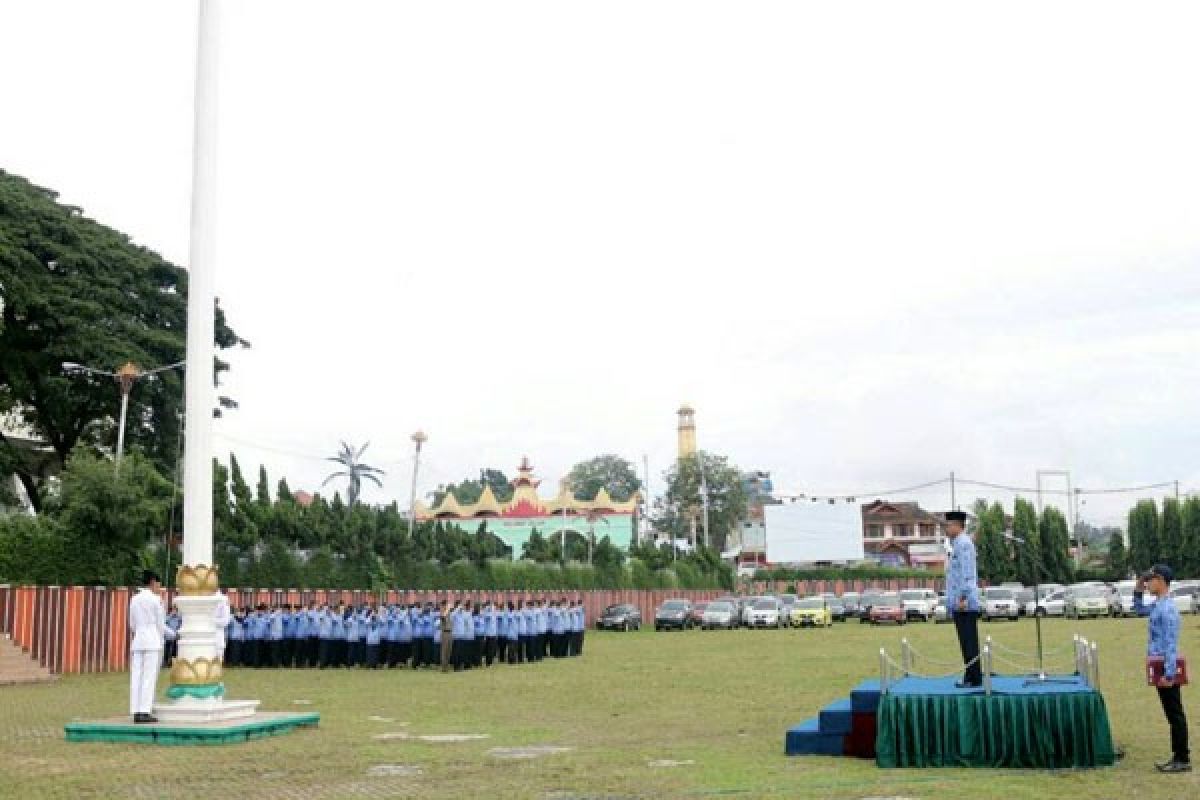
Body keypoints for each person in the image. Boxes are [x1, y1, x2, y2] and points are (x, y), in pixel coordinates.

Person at [1135, 564, 1191, 773]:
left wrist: (1170, 674)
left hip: (1166, 668)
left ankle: (1182, 758)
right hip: (1157, 665)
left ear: (1162, 581)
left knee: (1175, 713)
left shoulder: (1167, 609)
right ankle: (1177, 755)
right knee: (1171, 714)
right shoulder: (1158, 605)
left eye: (1151, 579)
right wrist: (1138, 589)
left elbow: (1170, 644)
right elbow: (1139, 610)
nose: (1148, 582)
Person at [128, 570, 174, 723]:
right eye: (158, 584)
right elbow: (160, 624)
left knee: (136, 676)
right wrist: (172, 634)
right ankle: (144, 711)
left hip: (138, 640)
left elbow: (132, 624)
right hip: (153, 640)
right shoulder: (156, 600)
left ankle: (135, 710)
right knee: (148, 676)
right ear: (153, 582)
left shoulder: (134, 599)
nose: (159, 587)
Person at [944, 510, 981, 688]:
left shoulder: (964, 544)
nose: (947, 528)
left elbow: (967, 573)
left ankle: (973, 677)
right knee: (965, 641)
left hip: (963, 602)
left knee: (969, 641)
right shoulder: (958, 543)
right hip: (959, 601)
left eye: (949, 525)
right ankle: (971, 674)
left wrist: (963, 597)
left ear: (957, 525)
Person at [213, 590, 231, 665]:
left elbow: (225, 621)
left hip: (217, 635)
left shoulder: (223, 599)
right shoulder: (201, 596)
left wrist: (210, 621)